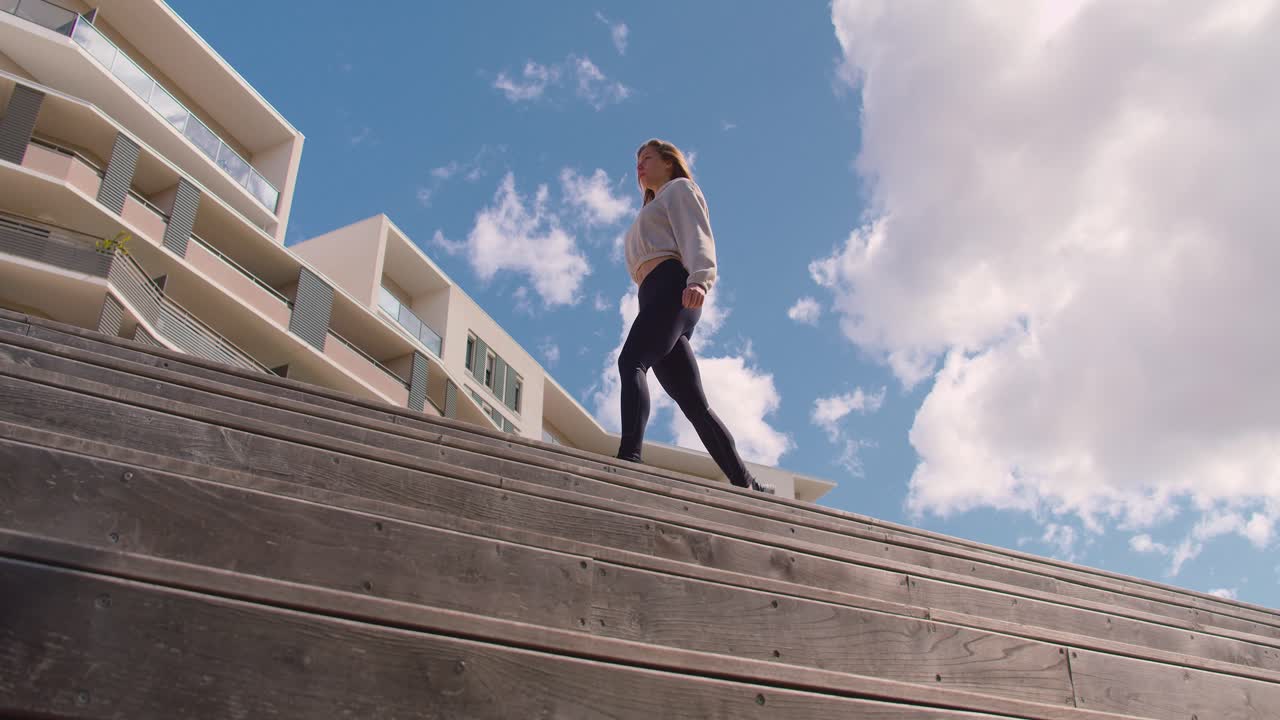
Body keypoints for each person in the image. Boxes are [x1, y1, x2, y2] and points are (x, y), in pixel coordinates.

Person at [615, 139, 774, 494]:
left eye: (648, 158)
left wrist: (701, 280)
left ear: (670, 163)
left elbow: (697, 235)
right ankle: (745, 482)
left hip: (674, 289)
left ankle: (629, 457)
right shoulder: (650, 208)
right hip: (654, 295)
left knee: (632, 362)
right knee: (694, 404)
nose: (639, 165)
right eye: (636, 160)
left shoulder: (679, 190)